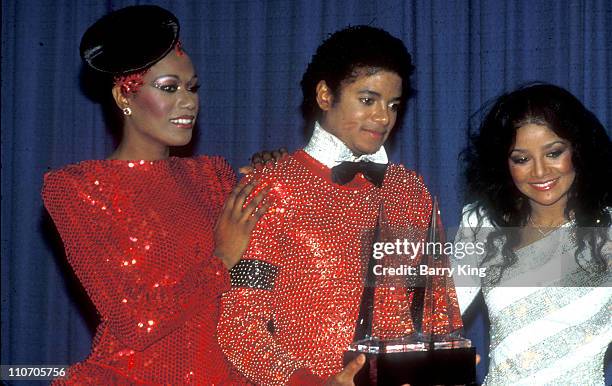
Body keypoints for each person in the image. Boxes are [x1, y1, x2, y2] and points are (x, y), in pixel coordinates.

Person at [42, 5, 266, 384]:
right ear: (123, 96)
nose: (189, 101)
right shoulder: (78, 188)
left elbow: (260, 281)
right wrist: (222, 259)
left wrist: (276, 174)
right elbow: (135, 323)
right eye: (169, 88)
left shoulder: (213, 175)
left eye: (192, 87)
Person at [217, 26, 437, 385]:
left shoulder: (410, 190)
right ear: (324, 94)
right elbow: (239, 327)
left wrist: (440, 359)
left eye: (393, 105)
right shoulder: (270, 186)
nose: (383, 118)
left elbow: (427, 307)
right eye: (368, 100)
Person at [453, 83, 611, 385]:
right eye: (521, 159)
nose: (540, 172)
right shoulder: (483, 224)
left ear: (577, 150)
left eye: (553, 153)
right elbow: (440, 311)